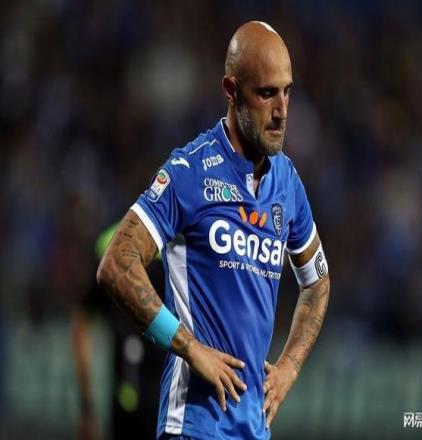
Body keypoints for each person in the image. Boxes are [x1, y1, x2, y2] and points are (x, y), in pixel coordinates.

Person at [97, 21, 330, 440]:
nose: (281, 110)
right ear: (231, 90)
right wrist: (188, 347)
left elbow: (317, 282)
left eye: (287, 91)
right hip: (192, 424)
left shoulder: (287, 182)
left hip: (254, 428)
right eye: (266, 93)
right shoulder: (189, 172)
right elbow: (116, 263)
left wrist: (289, 368)